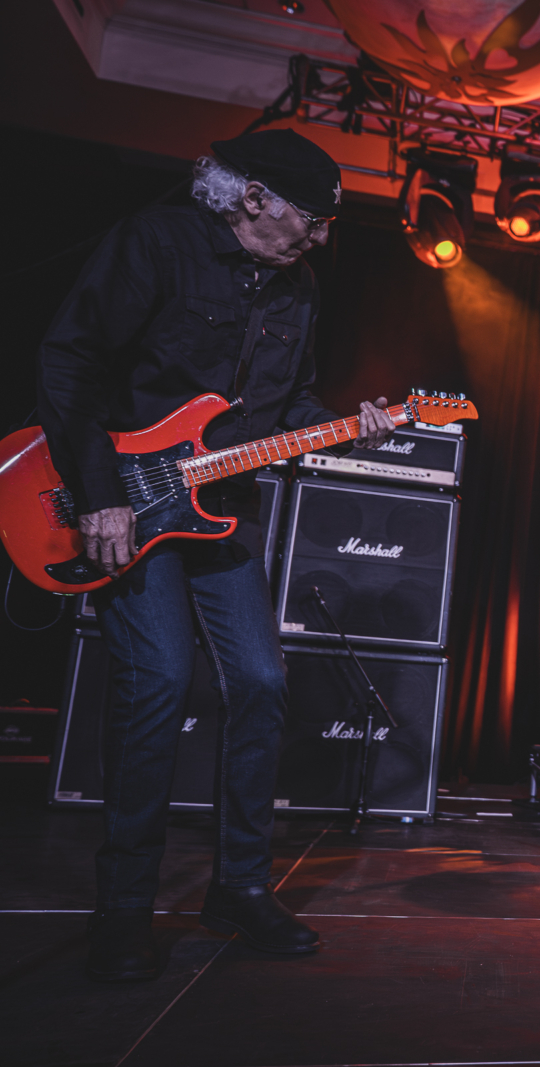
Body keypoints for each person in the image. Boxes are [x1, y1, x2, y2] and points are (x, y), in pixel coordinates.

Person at [36, 128, 394, 982]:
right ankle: (123, 911)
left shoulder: (299, 288)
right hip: (127, 501)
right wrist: (99, 493)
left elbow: (288, 403)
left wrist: (352, 424)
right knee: (157, 680)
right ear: (254, 198)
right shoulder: (155, 243)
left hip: (221, 510)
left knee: (265, 683)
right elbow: (71, 359)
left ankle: (239, 886)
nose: (319, 237)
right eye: (309, 219)